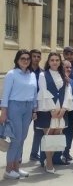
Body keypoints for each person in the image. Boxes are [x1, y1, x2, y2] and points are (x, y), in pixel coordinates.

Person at [0, 50, 37, 179]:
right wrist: (3, 112)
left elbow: (34, 94)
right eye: (22, 58)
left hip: (27, 108)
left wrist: (34, 109)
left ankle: (16, 167)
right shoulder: (12, 74)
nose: (26, 60)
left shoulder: (32, 75)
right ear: (17, 60)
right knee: (15, 139)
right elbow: (5, 94)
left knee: (22, 139)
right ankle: (8, 170)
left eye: (28, 58)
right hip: (14, 106)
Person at [35, 52, 73, 174]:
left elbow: (68, 92)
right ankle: (49, 162)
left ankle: (49, 160)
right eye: (52, 60)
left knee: (56, 136)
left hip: (61, 109)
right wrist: (52, 109)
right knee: (48, 135)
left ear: (60, 62)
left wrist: (63, 109)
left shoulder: (63, 75)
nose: (55, 62)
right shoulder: (43, 75)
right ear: (48, 61)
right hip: (48, 109)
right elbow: (43, 91)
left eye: (57, 60)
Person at [29, 49, 43, 162]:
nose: (36, 59)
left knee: (38, 131)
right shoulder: (24, 71)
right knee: (21, 133)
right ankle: (17, 156)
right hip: (26, 104)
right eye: (34, 56)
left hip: (38, 106)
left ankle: (34, 153)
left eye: (38, 56)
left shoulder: (42, 72)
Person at [62, 60, 73, 163]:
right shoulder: (58, 79)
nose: (69, 69)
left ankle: (66, 152)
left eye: (70, 67)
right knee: (61, 134)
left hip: (70, 111)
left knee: (69, 133)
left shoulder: (71, 80)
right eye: (66, 67)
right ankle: (60, 155)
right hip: (61, 112)